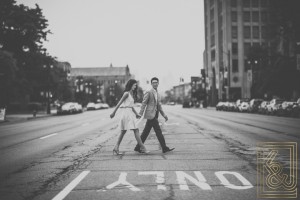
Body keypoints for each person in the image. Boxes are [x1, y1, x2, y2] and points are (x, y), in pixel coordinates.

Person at [134, 77, 175, 153]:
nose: (155, 84)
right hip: (150, 115)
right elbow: (144, 103)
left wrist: (164, 115)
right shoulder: (149, 92)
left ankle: (137, 147)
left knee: (146, 132)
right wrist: (140, 114)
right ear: (151, 84)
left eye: (156, 82)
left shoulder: (158, 94)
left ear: (158, 83)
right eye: (153, 82)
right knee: (158, 130)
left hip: (155, 114)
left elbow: (159, 106)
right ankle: (164, 147)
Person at [110, 79, 149, 155]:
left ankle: (116, 147)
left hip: (129, 112)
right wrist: (113, 112)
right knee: (135, 130)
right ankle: (143, 148)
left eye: (136, 85)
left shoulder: (131, 93)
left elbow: (131, 106)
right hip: (126, 113)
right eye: (134, 85)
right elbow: (119, 103)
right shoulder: (126, 93)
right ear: (131, 85)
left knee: (124, 131)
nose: (135, 86)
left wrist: (136, 114)